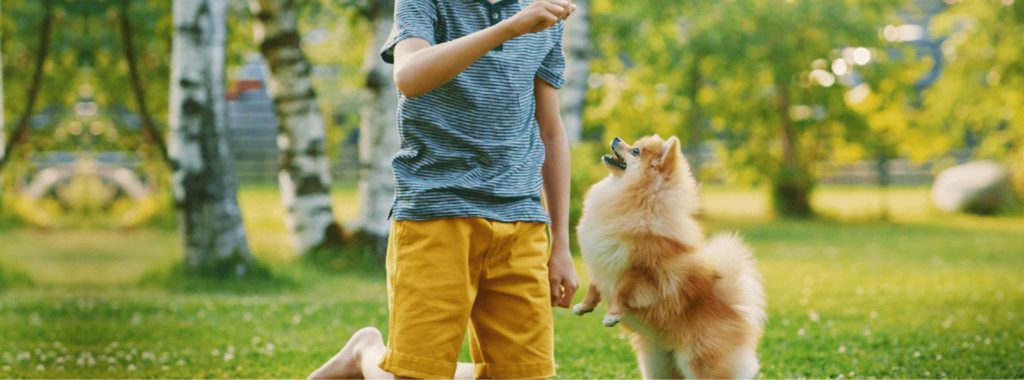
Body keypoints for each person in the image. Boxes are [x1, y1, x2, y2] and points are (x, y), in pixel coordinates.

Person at [309, 0, 579, 378]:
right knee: (419, 371)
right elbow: (410, 76)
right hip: (436, 212)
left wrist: (562, 245)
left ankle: (365, 354)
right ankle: (366, 355)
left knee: (521, 373)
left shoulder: (543, 11)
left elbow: (550, 128)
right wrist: (509, 29)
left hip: (521, 221)